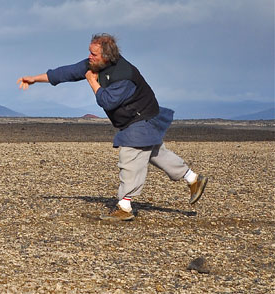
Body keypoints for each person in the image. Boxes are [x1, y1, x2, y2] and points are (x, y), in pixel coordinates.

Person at [17, 33, 208, 221]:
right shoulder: (94, 64)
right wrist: (34, 79)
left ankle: (124, 207)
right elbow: (65, 73)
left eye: (94, 54)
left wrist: (92, 81)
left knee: (130, 158)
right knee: (156, 153)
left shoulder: (123, 75)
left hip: (140, 119)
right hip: (139, 118)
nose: (89, 57)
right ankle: (193, 179)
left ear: (107, 57)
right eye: (90, 53)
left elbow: (107, 101)